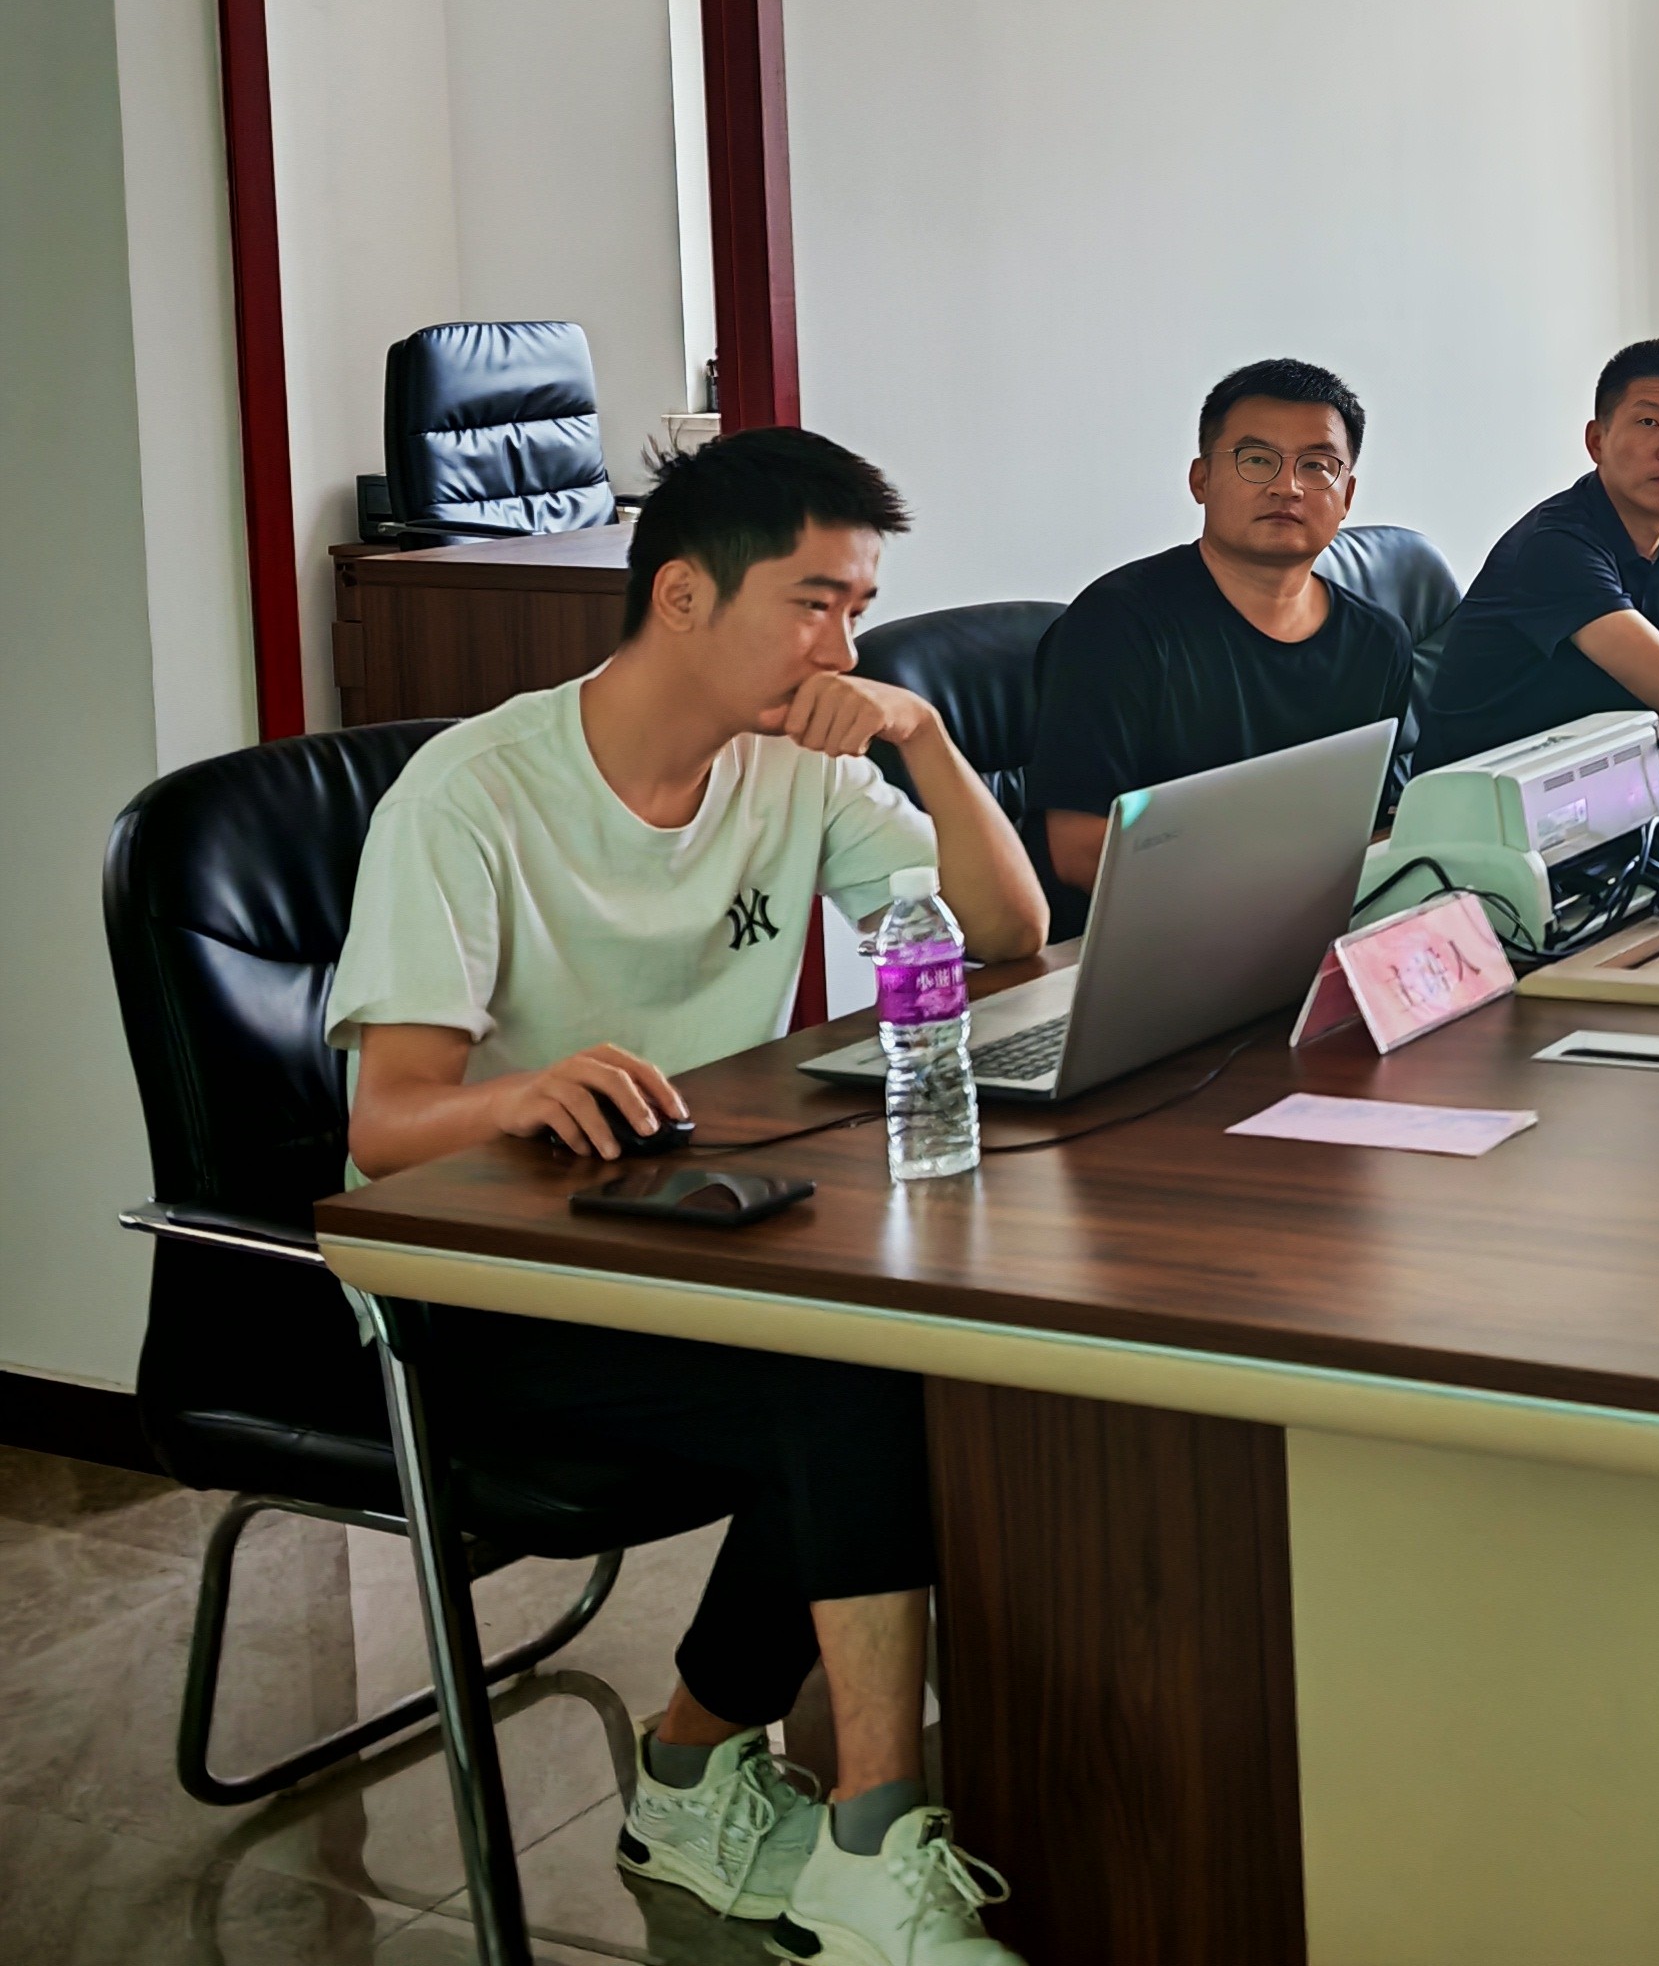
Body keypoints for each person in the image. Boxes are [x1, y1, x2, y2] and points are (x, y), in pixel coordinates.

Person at [326, 428, 1042, 1965]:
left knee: (913, 1360)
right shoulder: (471, 796)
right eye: (815, 603)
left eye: (860, 609)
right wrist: (516, 1095)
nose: (842, 647)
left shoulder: (795, 766)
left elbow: (1004, 933)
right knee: (860, 1378)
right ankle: (866, 1843)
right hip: (485, 1285)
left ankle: (696, 1769)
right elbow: (386, 1126)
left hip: (694, 1239)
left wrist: (920, 733)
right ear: (682, 596)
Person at [1030, 358, 1416, 912]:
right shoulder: (1117, 625)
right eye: (1256, 460)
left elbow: (1368, 829)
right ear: (1201, 480)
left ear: (1347, 495)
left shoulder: (1379, 641)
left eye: (1316, 465)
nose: (1287, 487)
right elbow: (1078, 850)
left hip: (1311, 922)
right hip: (1138, 935)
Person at [1412, 339, 1659, 766]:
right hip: (1481, 787)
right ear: (1597, 441)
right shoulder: (1554, 547)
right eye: (1648, 421)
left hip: (1600, 767)